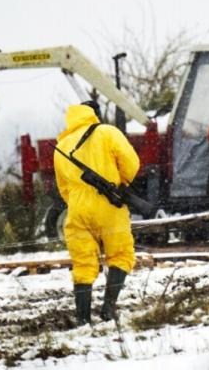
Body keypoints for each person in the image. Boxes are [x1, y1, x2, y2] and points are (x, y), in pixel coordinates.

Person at [54, 100, 140, 325]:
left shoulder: (61, 146)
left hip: (77, 210)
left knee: (83, 264)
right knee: (121, 255)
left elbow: (63, 187)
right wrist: (122, 184)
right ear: (94, 114)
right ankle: (108, 310)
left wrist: (78, 202)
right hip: (109, 206)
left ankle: (82, 319)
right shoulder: (107, 132)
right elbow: (131, 163)